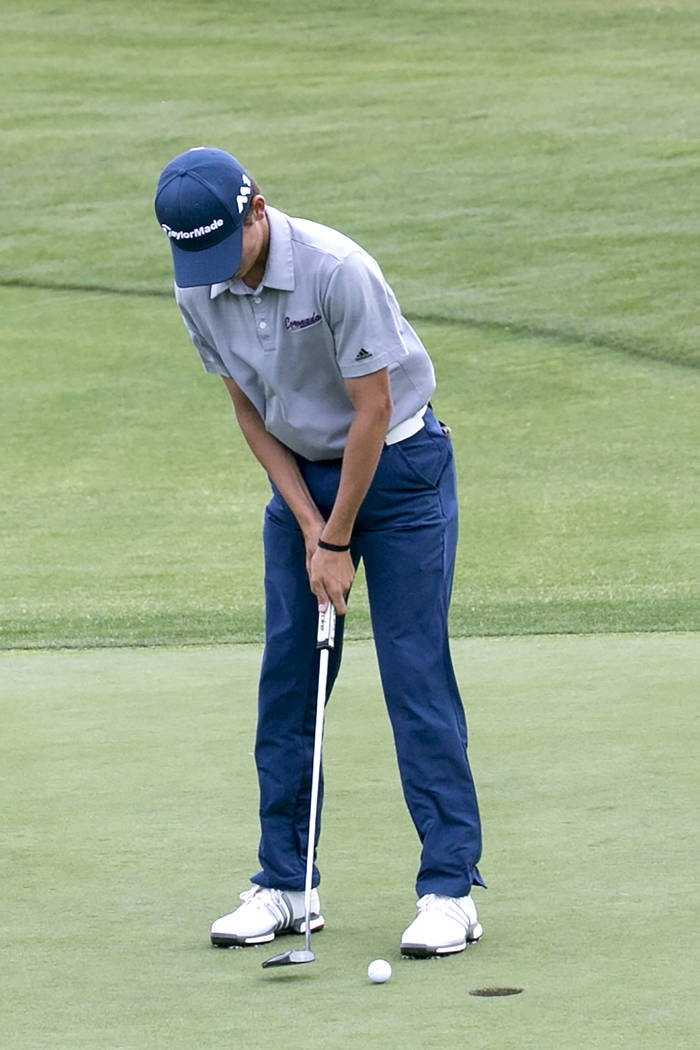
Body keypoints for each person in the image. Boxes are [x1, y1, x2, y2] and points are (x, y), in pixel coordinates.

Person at [154, 147, 485, 957]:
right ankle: (285, 885)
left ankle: (449, 891)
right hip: (302, 476)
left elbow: (372, 412)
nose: (216, 272)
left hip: (400, 469)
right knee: (289, 681)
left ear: (257, 210)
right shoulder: (197, 280)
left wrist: (337, 536)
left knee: (415, 675)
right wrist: (308, 524)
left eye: (226, 248)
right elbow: (248, 410)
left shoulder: (339, 270)